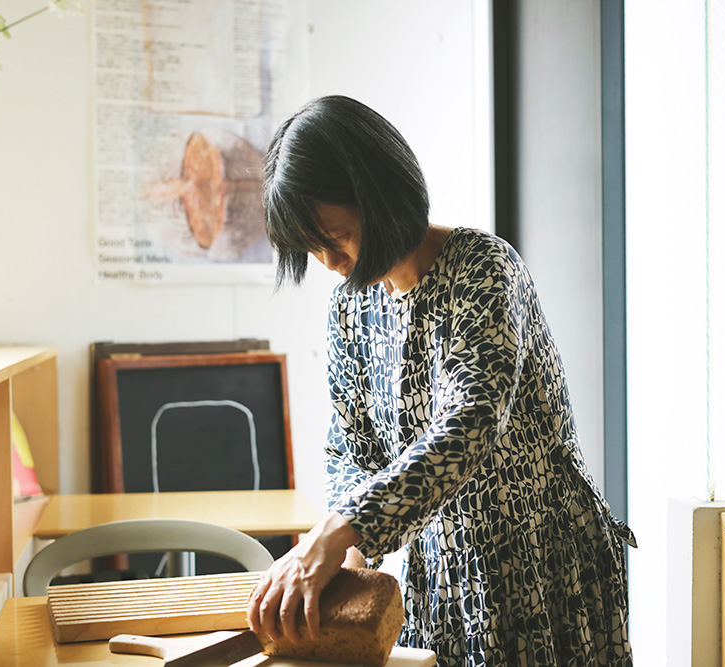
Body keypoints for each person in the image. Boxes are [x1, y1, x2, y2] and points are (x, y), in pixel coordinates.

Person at [246, 94, 635, 667]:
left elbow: (467, 426)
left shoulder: (485, 269)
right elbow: (348, 448)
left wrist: (338, 531)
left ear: (376, 197)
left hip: (536, 563)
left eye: (336, 236)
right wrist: (350, 555)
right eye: (313, 248)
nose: (329, 262)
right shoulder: (351, 309)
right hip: (442, 579)